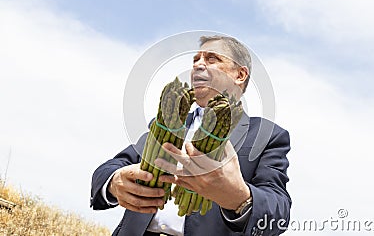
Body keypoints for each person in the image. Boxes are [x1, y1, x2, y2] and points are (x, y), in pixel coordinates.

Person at [90, 35, 291, 236]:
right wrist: (114, 182)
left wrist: (239, 197)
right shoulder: (165, 122)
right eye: (195, 59)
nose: (198, 65)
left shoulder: (268, 136)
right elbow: (112, 167)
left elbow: (278, 212)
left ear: (240, 74)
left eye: (212, 59)